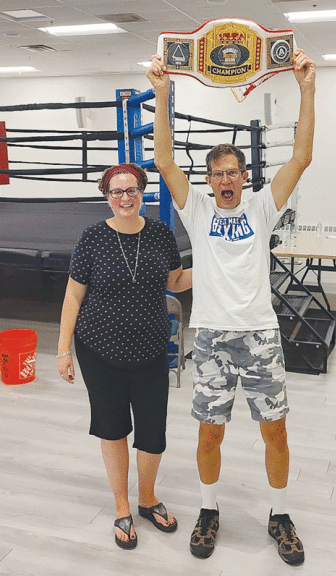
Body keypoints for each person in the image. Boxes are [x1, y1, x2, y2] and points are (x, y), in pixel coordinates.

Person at [146, 48, 315, 566]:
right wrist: (161, 93)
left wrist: (307, 89)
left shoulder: (263, 206)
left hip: (260, 334)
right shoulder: (195, 208)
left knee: (275, 430)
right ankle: (209, 509)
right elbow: (163, 160)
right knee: (210, 430)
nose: (224, 180)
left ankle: (279, 515)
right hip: (214, 337)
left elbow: (302, 157)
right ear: (209, 178)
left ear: (244, 176)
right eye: (216, 173)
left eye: (232, 172)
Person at [56, 162, 192, 550]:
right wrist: (62, 348)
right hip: (99, 349)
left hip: (151, 348)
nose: (124, 198)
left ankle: (147, 499)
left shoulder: (161, 234)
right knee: (112, 428)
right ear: (107, 197)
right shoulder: (93, 237)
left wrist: (217, 266)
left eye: (131, 190)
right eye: (116, 192)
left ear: (143, 193)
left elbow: (176, 282)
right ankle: (121, 506)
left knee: (153, 431)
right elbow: (73, 295)